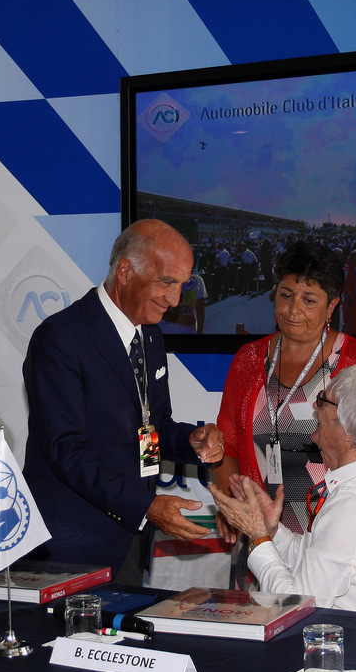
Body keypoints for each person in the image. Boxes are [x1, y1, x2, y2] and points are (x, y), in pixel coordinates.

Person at [22, 219, 224, 578]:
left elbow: (152, 425)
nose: (175, 300)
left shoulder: (150, 337)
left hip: (130, 538)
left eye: (182, 285)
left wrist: (189, 441)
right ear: (126, 271)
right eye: (167, 282)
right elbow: (66, 450)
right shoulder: (60, 338)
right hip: (70, 545)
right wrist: (146, 506)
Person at [209, 364, 356, 617]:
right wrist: (272, 531)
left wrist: (258, 535)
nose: (315, 407)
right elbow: (316, 564)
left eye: (323, 400)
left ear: (350, 427)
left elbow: (297, 605)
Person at [214, 241, 356, 536]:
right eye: (286, 295)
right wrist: (233, 504)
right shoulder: (248, 359)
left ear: (331, 305)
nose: (293, 310)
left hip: (335, 537)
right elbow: (226, 447)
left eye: (309, 300)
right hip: (259, 537)